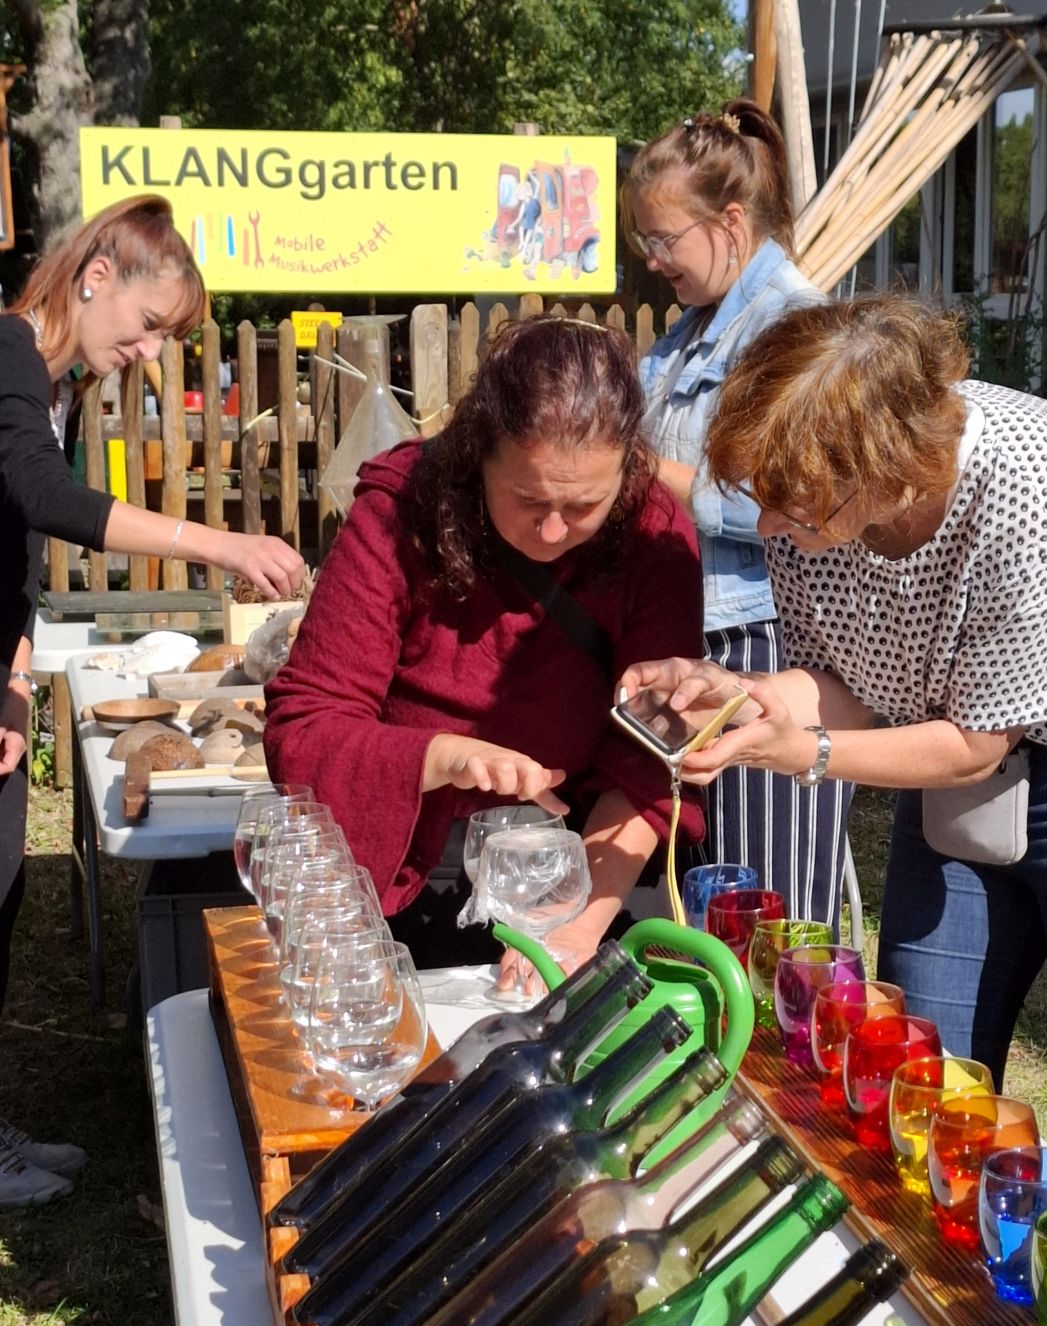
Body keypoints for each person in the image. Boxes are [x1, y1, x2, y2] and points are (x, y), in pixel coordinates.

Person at [619, 292, 1047, 1082]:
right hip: (956, 761)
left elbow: (973, 744)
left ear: (881, 467)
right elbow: (838, 685)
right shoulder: (813, 504)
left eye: (787, 503)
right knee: (911, 1068)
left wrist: (802, 754)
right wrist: (734, 694)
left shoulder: (1025, 477)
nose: (766, 529)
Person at [0, 194, 305, 1205]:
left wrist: (11, 672)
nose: (148, 350)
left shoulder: (56, 383)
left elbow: (16, 546)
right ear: (97, 279)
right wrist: (218, 545)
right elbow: (47, 500)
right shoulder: (8, 352)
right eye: (147, 326)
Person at [265, 315, 705, 975]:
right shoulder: (400, 511)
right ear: (479, 455)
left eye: (584, 505)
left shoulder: (652, 533)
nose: (554, 531)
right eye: (528, 499)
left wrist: (574, 925)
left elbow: (653, 757)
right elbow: (306, 725)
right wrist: (438, 755)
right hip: (407, 870)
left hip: (587, 865)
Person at [623, 100, 850, 929]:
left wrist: (645, 469)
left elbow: (788, 503)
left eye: (662, 239)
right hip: (696, 638)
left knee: (769, 909)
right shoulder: (688, 331)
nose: (652, 261)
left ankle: (776, 1059)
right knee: (706, 899)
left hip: (769, 636)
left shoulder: (794, 325)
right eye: (643, 242)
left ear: (727, 221)